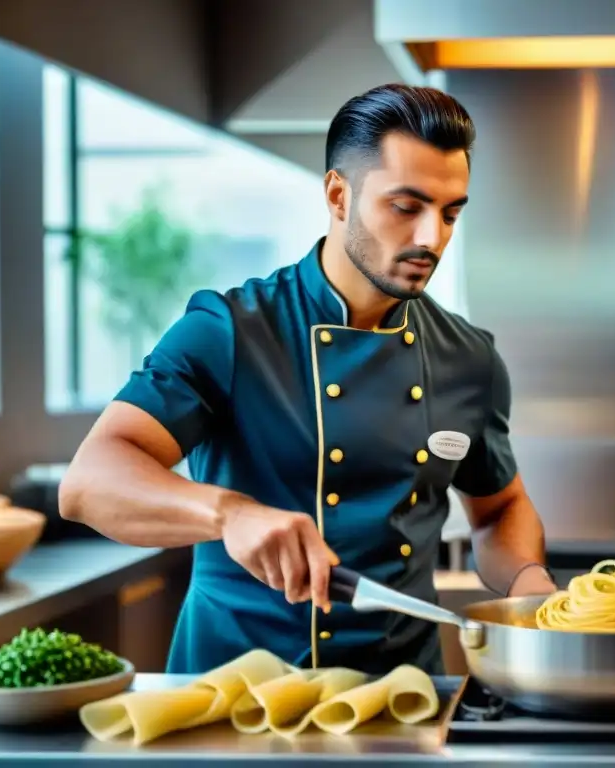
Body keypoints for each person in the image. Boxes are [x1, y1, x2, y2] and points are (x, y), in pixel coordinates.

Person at [58, 83, 556, 676]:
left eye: (450, 213)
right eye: (406, 207)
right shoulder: (230, 331)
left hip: (399, 695)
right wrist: (230, 514)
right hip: (232, 695)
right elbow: (89, 482)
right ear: (338, 195)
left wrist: (532, 585)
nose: (432, 238)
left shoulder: (468, 358)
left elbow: (500, 509)